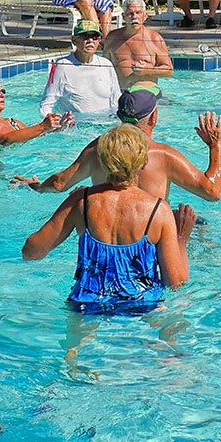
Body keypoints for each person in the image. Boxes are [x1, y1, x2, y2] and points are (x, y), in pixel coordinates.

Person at [21, 124, 196, 312]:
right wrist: (181, 239)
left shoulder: (82, 201)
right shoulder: (159, 210)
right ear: (144, 162)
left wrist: (72, 205)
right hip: (144, 304)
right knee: (172, 332)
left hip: (86, 303)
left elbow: (31, 252)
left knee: (77, 339)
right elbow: (175, 283)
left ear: (103, 161)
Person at [17, 87, 221, 202]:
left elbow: (59, 183)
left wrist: (36, 186)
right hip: (150, 234)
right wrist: (216, 146)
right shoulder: (163, 155)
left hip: (105, 232)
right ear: (154, 118)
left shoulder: (98, 148)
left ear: (118, 116)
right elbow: (212, 192)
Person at [39, 19, 120, 117]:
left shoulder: (106, 64)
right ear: (74, 40)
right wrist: (53, 125)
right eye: (85, 36)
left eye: (94, 37)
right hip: (76, 128)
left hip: (104, 126)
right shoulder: (62, 66)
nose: (90, 41)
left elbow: (116, 101)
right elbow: (46, 104)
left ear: (99, 40)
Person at [102, 0, 174, 90]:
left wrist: (147, 71)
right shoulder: (113, 38)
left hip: (148, 93)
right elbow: (104, 68)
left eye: (138, 13)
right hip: (121, 93)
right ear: (124, 17)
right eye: (130, 14)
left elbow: (169, 70)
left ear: (145, 16)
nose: (134, 17)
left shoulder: (154, 38)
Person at [0, 75, 65, 144]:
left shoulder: (12, 122)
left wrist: (59, 127)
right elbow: (5, 139)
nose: (3, 95)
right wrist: (42, 126)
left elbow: (33, 134)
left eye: (3, 91)